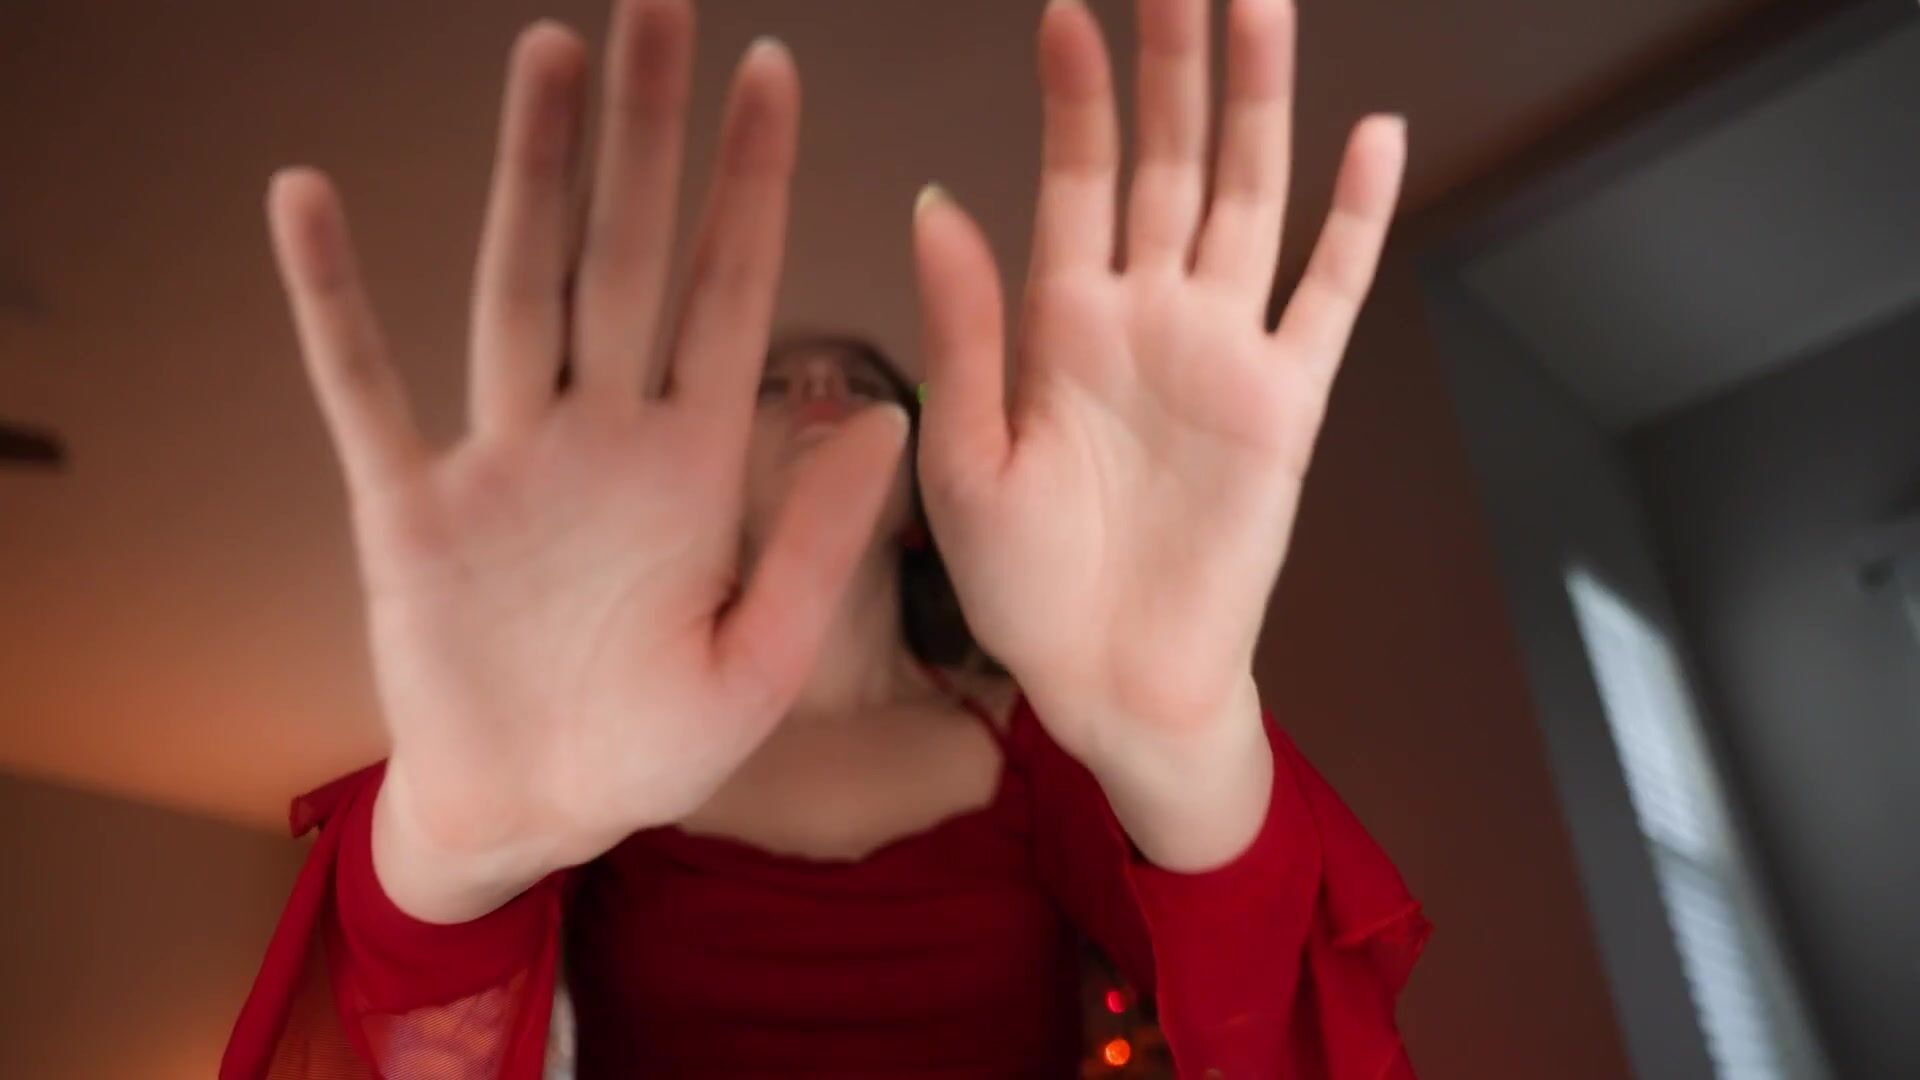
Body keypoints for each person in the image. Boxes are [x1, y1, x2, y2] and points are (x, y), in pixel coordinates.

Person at [222, 0, 1428, 1075]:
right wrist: (444, 864)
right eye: (772, 385)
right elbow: (410, 1035)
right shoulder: (610, 748)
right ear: (703, 486)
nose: (815, 391)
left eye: (858, 382)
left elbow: (1271, 1024)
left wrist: (1184, 749)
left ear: (919, 503)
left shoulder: (1032, 753)